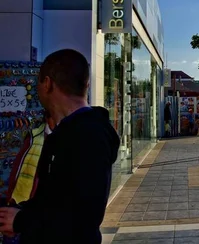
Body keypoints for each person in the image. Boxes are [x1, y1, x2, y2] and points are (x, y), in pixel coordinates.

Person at [0, 49, 119, 243]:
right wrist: (18, 215)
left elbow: (84, 216)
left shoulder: (88, 135)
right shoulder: (67, 132)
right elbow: (54, 199)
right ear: (86, 85)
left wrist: (22, 220)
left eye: (38, 83)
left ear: (47, 84)